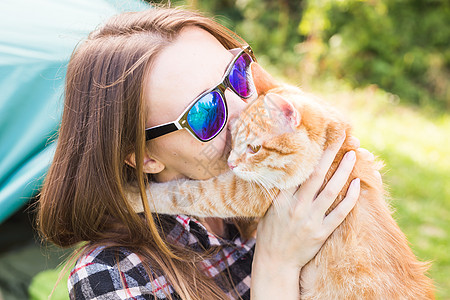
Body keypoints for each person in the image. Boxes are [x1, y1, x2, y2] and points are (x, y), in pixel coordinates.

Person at [38, 7, 364, 300]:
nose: (244, 109)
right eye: (204, 112)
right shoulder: (115, 277)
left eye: (237, 74)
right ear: (144, 157)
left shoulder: (280, 185)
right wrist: (277, 266)